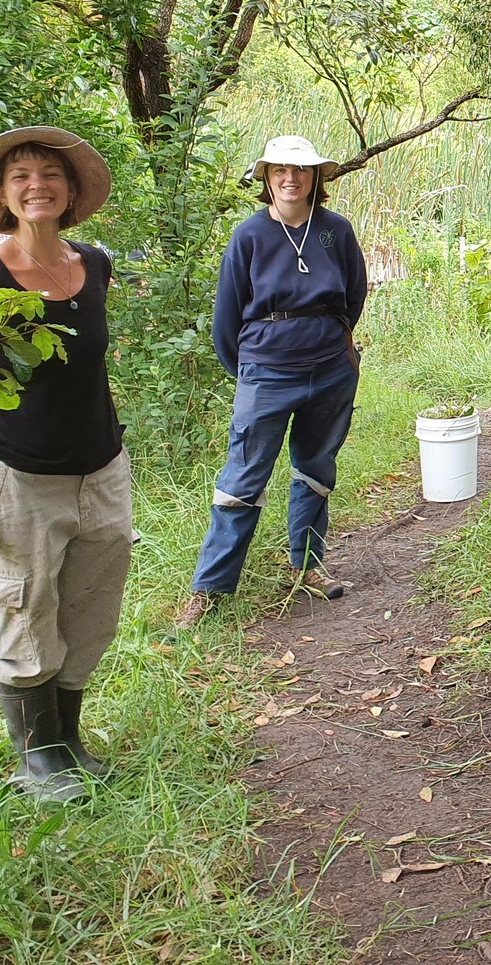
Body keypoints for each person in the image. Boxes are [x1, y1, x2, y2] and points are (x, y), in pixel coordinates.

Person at [0, 126, 130, 801]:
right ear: (0, 193)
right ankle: (38, 758)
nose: (36, 185)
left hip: (101, 468)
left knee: (88, 603)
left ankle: (68, 740)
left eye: (50, 174)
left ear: (71, 191)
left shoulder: (94, 265)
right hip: (19, 476)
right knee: (18, 605)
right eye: (20, 175)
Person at [176, 136, 369, 631]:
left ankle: (307, 568)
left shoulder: (336, 230)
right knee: (242, 478)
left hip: (331, 369)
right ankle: (210, 589)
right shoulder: (249, 235)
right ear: (266, 177)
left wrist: (328, 340)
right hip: (266, 373)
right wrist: (253, 368)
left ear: (316, 177)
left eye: (300, 169)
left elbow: (354, 295)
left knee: (316, 467)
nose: (290, 177)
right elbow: (227, 319)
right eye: (280, 169)